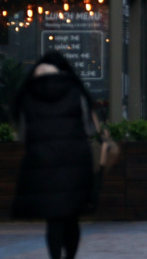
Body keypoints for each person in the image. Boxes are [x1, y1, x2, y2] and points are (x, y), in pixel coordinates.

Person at [12, 51, 99, 259]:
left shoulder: (27, 94)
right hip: (75, 162)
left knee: (54, 219)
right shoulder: (76, 91)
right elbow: (90, 128)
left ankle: (55, 257)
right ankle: (70, 256)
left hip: (42, 163)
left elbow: (22, 133)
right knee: (72, 217)